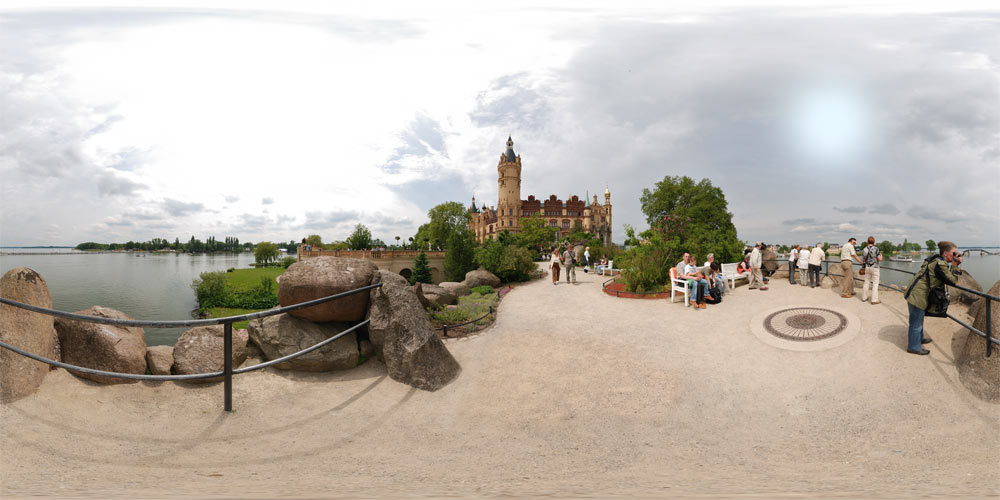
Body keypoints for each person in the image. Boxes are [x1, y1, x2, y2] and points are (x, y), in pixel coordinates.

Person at [903, 240, 963, 355]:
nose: (956, 255)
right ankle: (914, 347)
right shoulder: (939, 264)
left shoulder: (936, 259)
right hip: (918, 295)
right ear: (945, 254)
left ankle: (918, 339)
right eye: (954, 253)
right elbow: (952, 281)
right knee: (916, 323)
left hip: (917, 292)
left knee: (918, 320)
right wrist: (955, 266)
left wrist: (953, 264)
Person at [861, 236, 882, 304]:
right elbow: (880, 259)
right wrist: (881, 255)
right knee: (875, 284)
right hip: (875, 267)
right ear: (874, 242)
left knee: (866, 282)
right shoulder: (876, 249)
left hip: (867, 267)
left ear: (867, 241)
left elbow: (864, 259)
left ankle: (864, 297)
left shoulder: (864, 249)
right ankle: (874, 300)